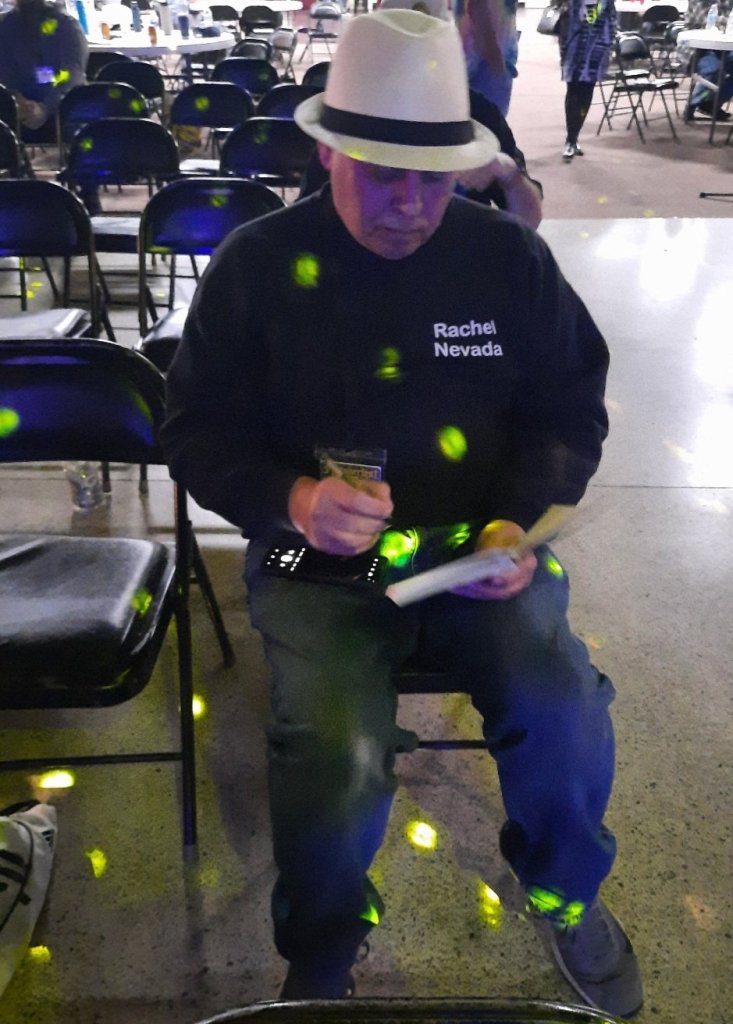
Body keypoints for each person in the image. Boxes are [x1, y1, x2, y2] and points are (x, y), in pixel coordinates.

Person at [162, 9, 643, 1019]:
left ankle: (565, 893)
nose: (409, 205)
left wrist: (515, 521)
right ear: (328, 152)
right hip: (310, 560)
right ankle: (324, 946)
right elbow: (197, 431)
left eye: (433, 179)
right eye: (382, 174)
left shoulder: (505, 260)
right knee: (331, 747)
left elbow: (568, 412)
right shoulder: (257, 264)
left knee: (560, 705)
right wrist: (292, 499)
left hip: (479, 549)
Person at [0, 0, 87, 144]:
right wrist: (17, 100)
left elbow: (71, 77)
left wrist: (46, 108)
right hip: (19, 109)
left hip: (62, 108)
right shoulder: (6, 26)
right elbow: (5, 74)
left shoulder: (66, 25)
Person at [555, 0, 617, 161]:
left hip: (597, 47)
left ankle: (574, 137)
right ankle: (570, 139)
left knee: (587, 92)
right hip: (574, 45)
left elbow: (608, 17)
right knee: (573, 90)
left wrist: (610, 43)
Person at [454, 0, 520, 117]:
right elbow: (478, 7)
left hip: (468, 57)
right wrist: (495, 56)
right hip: (485, 61)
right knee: (490, 121)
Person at [684, 0, 732, 120]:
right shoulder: (699, 2)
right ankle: (694, 102)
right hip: (698, 49)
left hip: (724, 48)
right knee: (715, 68)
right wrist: (724, 22)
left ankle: (711, 103)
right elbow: (707, 24)